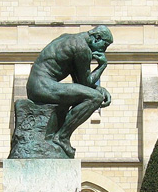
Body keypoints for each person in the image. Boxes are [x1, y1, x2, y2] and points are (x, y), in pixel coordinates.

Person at [26, 25, 113, 158]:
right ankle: (62, 137)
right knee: (95, 98)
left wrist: (98, 87)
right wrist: (102, 66)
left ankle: (60, 136)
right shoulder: (82, 48)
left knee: (93, 94)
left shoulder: (69, 38)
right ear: (97, 38)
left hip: (37, 84)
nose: (104, 50)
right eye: (105, 45)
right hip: (42, 86)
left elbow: (79, 81)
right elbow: (86, 83)